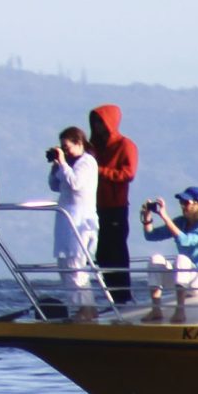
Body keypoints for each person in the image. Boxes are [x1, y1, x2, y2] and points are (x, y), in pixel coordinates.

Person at [46, 126, 100, 320]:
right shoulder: (69, 164)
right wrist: (56, 165)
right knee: (66, 264)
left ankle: (85, 309)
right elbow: (54, 185)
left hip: (80, 222)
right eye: (62, 148)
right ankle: (85, 309)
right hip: (67, 221)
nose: (65, 151)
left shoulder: (87, 163)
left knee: (75, 265)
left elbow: (76, 184)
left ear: (79, 143)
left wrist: (63, 163)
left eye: (67, 147)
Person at [141, 186, 198, 323]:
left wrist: (164, 217)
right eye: (181, 202)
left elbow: (186, 240)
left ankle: (180, 311)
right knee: (155, 259)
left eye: (186, 203)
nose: (182, 206)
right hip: (183, 279)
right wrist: (147, 218)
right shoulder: (181, 222)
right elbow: (150, 235)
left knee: (182, 259)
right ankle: (156, 309)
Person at [87, 104, 138, 303]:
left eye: (100, 121)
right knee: (101, 253)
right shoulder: (92, 147)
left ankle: (123, 297)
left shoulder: (125, 145)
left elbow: (128, 173)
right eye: (95, 122)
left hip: (115, 207)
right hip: (95, 206)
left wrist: (100, 171)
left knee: (116, 252)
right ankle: (113, 297)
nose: (98, 126)